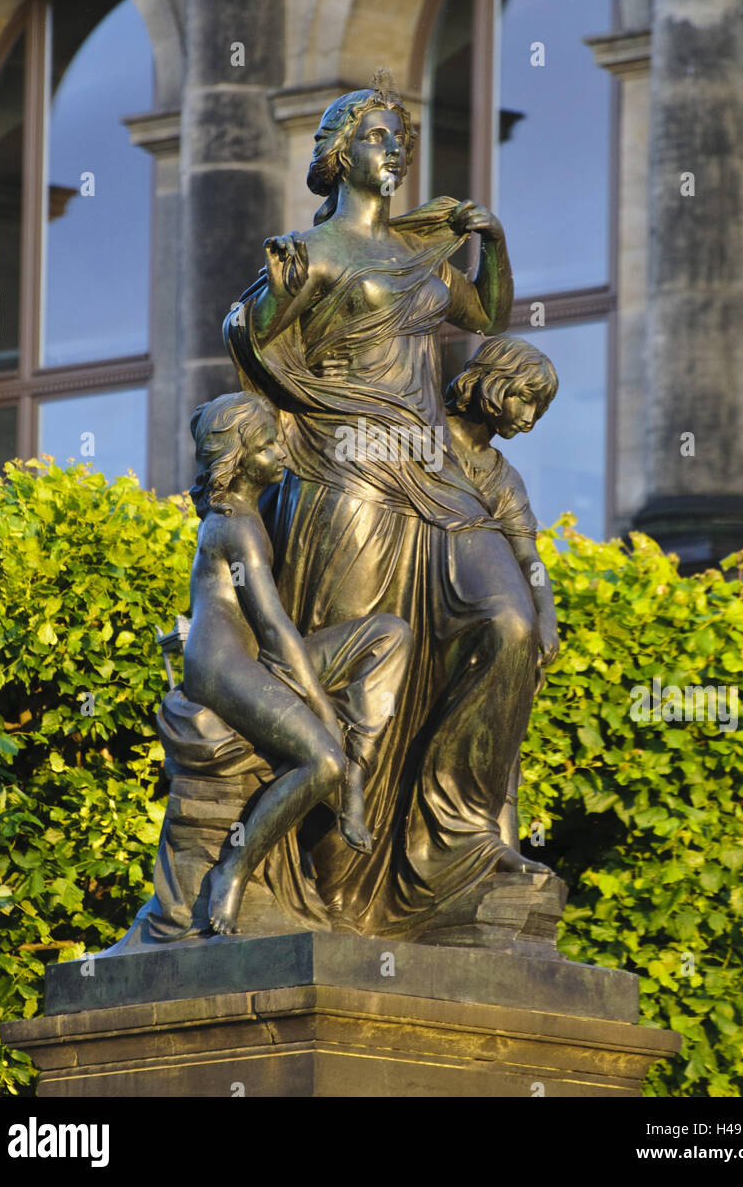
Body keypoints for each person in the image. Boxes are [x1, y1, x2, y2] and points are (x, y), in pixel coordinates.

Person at [224, 80, 551, 937]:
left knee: (509, 628)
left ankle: (462, 838)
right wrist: (273, 292)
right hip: (352, 476)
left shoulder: (421, 256)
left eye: (400, 136)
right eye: (376, 136)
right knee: (362, 696)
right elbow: (250, 338)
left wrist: (494, 243)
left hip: (434, 475)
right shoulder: (313, 250)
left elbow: (482, 314)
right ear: (338, 154)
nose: (393, 149)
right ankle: (335, 894)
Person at [182, 391, 413, 935]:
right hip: (221, 666)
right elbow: (275, 629)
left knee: (390, 633)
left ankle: (356, 766)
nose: (280, 452)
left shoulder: (248, 513)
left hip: (250, 656)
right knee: (324, 762)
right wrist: (324, 715)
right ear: (237, 459)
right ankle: (232, 871)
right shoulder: (234, 525)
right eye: (267, 446)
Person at [444, 335, 561, 691]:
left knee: (511, 626)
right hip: (413, 575)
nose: (529, 419)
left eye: (537, 408)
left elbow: (528, 558)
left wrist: (547, 616)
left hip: (468, 599)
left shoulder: (506, 479)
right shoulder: (422, 433)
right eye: (524, 400)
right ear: (492, 383)